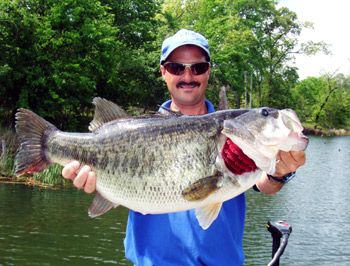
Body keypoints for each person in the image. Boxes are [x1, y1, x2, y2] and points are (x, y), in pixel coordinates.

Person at [62, 29, 306, 265]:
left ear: (208, 72)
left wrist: (279, 171)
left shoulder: (233, 137)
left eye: (197, 67)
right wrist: (97, 185)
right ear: (163, 72)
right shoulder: (136, 130)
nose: (188, 77)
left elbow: (264, 183)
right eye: (177, 67)